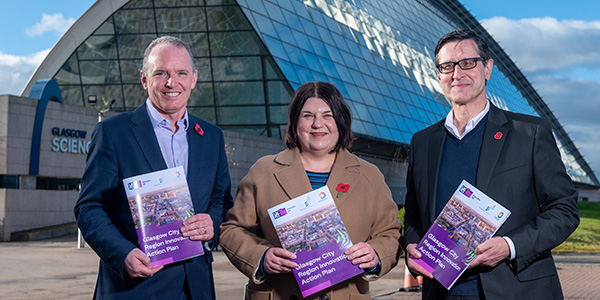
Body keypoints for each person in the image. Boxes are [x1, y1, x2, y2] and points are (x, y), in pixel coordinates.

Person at [401, 28, 580, 300]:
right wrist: (412, 245)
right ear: (438, 74)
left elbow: (564, 210)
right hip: (442, 292)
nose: (457, 74)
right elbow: (414, 216)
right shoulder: (423, 142)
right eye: (447, 66)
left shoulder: (529, 133)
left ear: (487, 68)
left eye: (467, 63)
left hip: (518, 290)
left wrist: (510, 246)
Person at [74, 36, 233, 299]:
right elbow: (89, 207)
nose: (172, 83)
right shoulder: (113, 133)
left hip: (196, 287)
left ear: (193, 78)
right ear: (145, 79)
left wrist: (213, 222)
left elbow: (221, 200)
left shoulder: (211, 137)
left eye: (181, 73)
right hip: (135, 288)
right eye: (161, 73)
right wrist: (122, 253)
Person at [219, 81, 401, 299]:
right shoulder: (263, 171)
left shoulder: (369, 176)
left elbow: (390, 233)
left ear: (341, 121)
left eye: (327, 115)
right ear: (295, 122)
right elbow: (232, 229)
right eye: (307, 116)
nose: (317, 124)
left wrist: (377, 254)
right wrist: (261, 256)